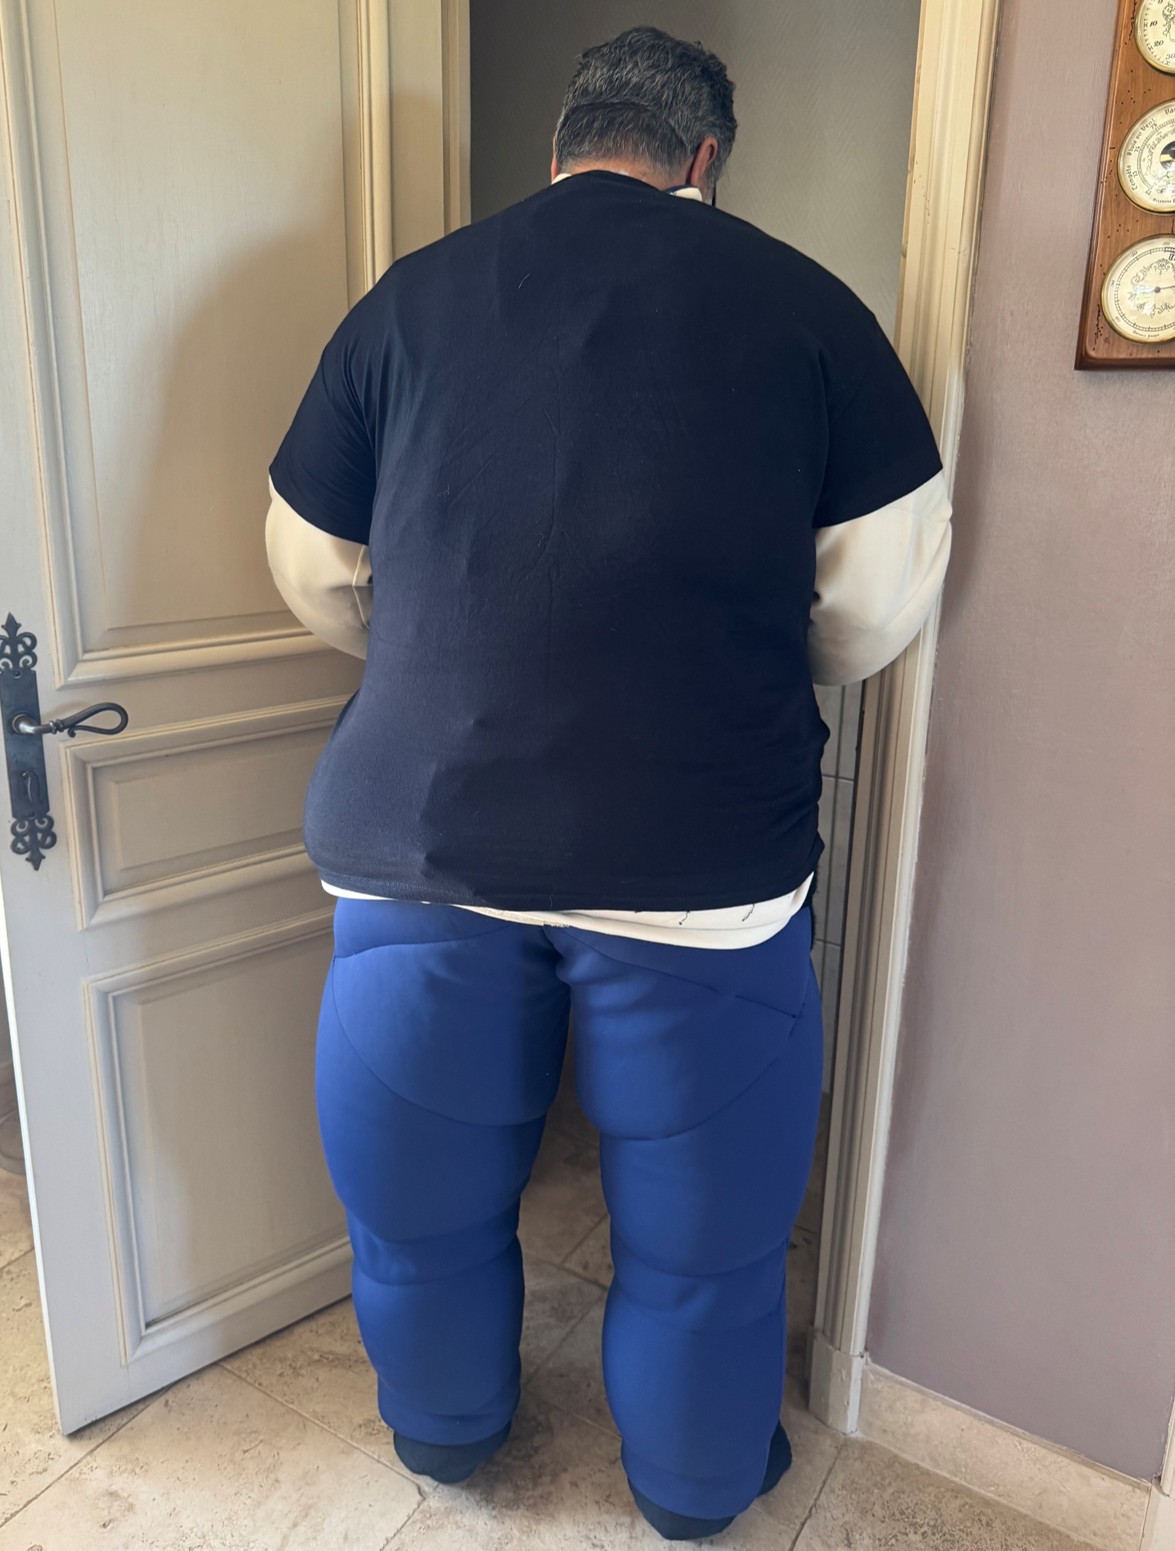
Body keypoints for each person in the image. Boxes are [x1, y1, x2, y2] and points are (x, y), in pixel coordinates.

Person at [265, 25, 951, 1542]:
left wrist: (443, 649)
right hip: (696, 861)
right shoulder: (813, 312)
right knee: (703, 1254)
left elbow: (314, 568)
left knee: (419, 1213)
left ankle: (445, 1438)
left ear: (561, 148)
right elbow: (872, 608)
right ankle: (693, 1494)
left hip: (419, 841)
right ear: (706, 161)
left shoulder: (405, 303)